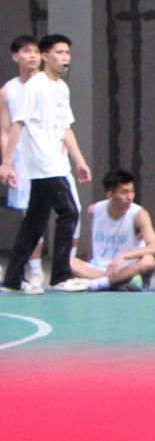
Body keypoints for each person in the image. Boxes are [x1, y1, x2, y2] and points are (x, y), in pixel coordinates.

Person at [0, 34, 92, 294]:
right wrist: (7, 163)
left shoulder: (61, 88)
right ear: (45, 56)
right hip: (42, 162)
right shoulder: (35, 86)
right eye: (59, 52)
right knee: (69, 211)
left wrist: (80, 161)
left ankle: (13, 280)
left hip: (57, 161)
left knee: (35, 220)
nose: (65, 58)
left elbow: (65, 128)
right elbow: (17, 123)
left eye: (67, 53)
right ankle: (61, 276)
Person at [1, 35, 48, 289]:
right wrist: (7, 162)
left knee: (69, 209)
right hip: (22, 158)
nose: (32, 55)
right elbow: (5, 130)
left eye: (36, 51)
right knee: (29, 213)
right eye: (27, 51)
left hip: (48, 156)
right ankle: (33, 268)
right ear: (15, 56)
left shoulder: (48, 84)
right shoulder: (8, 90)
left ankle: (62, 268)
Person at [71, 169, 155, 291]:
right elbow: (92, 241)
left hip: (128, 268)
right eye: (124, 192)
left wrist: (123, 256)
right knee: (67, 262)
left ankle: (97, 284)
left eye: (132, 191)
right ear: (110, 195)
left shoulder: (139, 214)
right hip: (100, 269)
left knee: (149, 261)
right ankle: (118, 282)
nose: (130, 197)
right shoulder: (94, 210)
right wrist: (90, 263)